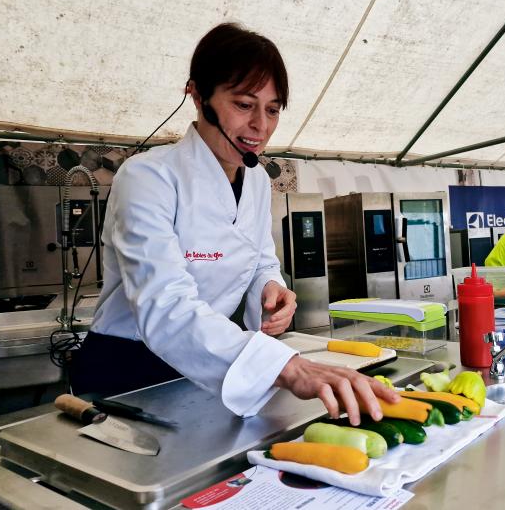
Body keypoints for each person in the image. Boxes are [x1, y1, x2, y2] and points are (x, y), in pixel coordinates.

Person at [71, 23, 397, 423]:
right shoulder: (148, 177)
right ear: (198, 95)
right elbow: (165, 304)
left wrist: (272, 289)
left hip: (214, 363)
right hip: (128, 369)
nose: (260, 126)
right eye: (244, 105)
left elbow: (260, 258)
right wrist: (284, 367)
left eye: (273, 109)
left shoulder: (257, 179)